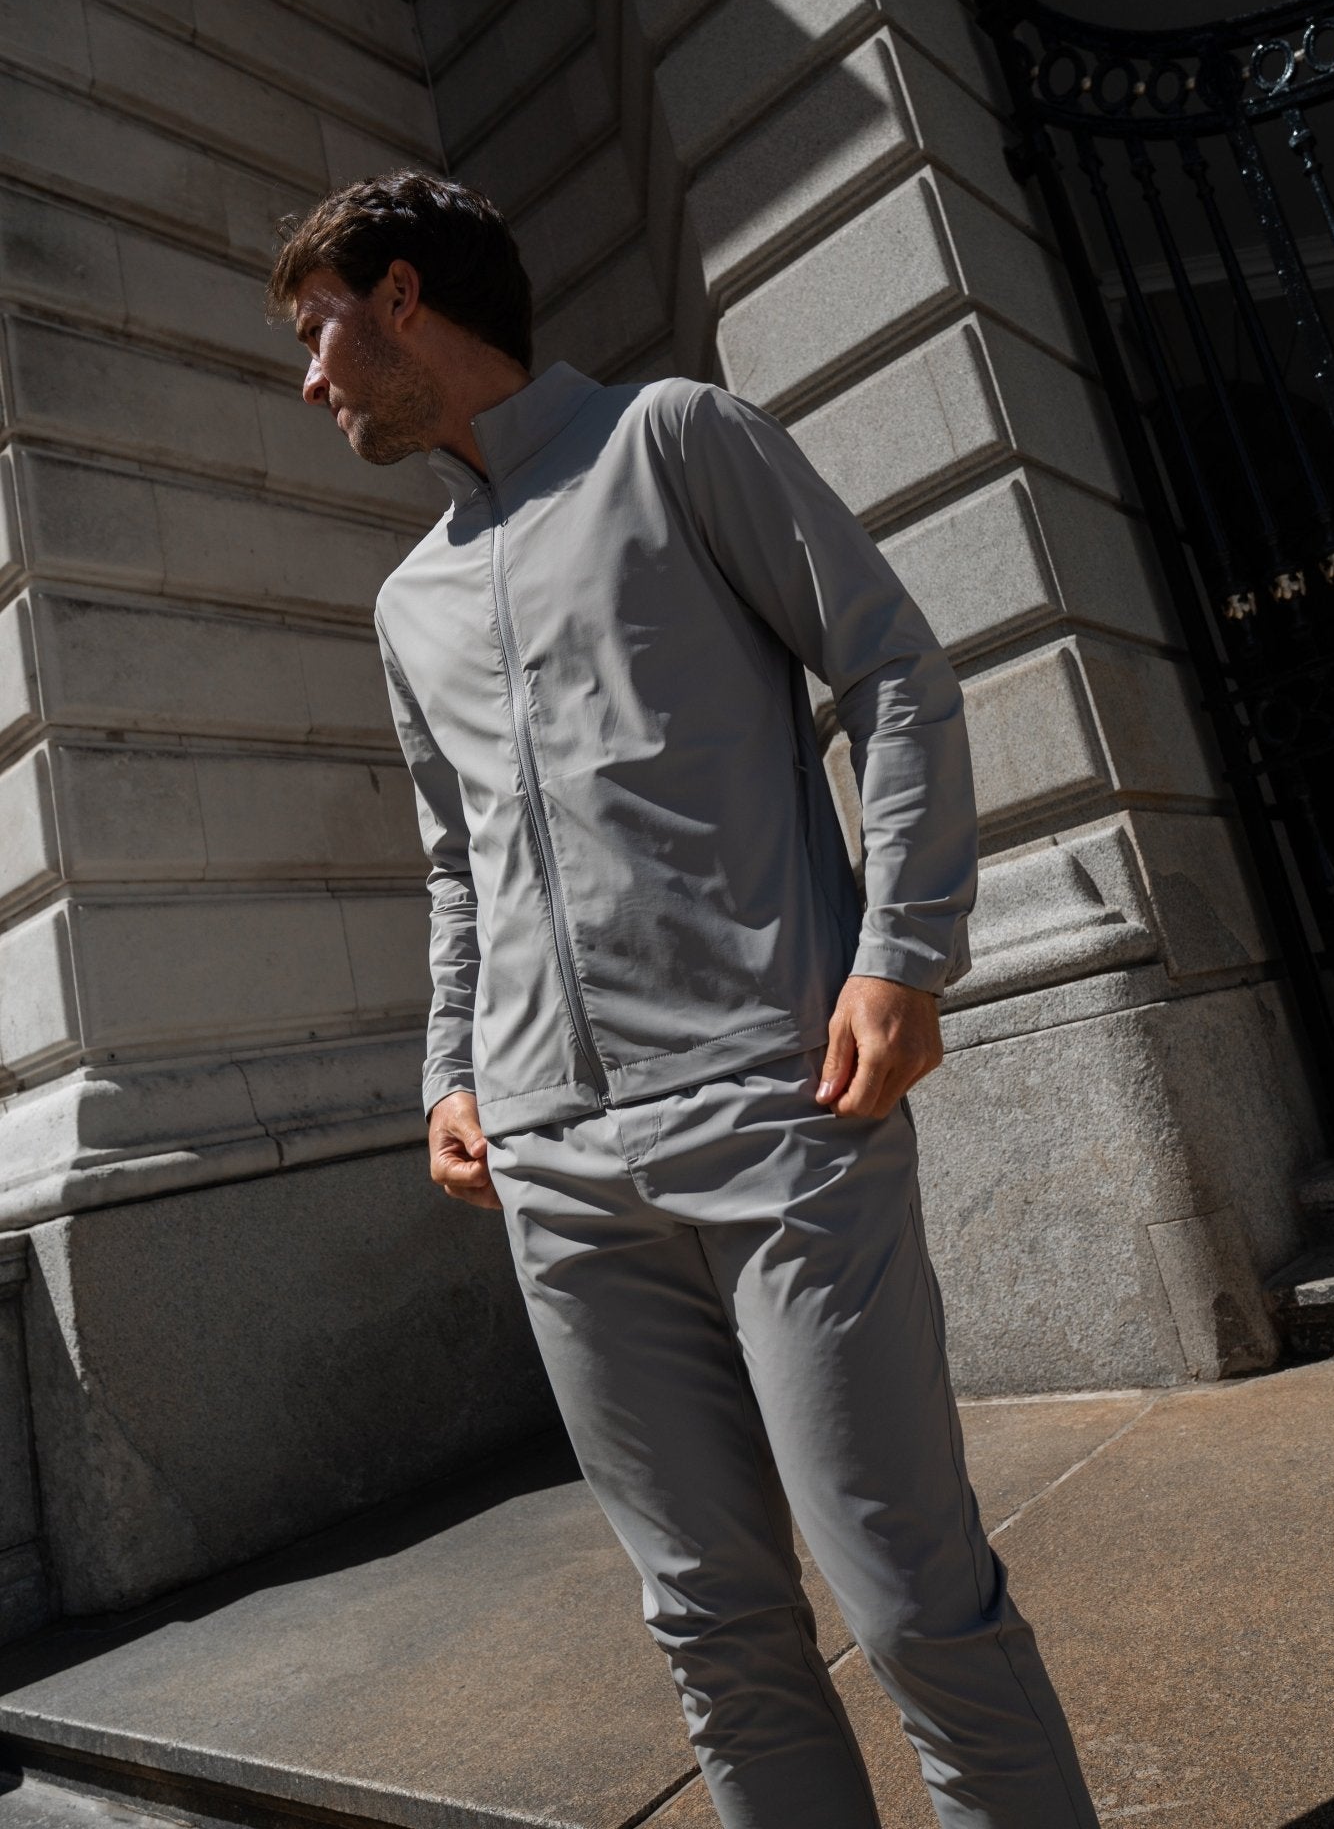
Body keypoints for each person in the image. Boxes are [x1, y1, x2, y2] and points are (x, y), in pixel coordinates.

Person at [266, 171, 1099, 1829]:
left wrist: (901, 947)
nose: (310, 380)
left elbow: (892, 673)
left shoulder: (673, 440)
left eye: (317, 331)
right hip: (555, 1173)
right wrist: (451, 1071)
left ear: (404, 296)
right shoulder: (407, 600)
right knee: (712, 1634)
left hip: (777, 1115)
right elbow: (459, 864)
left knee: (913, 1606)